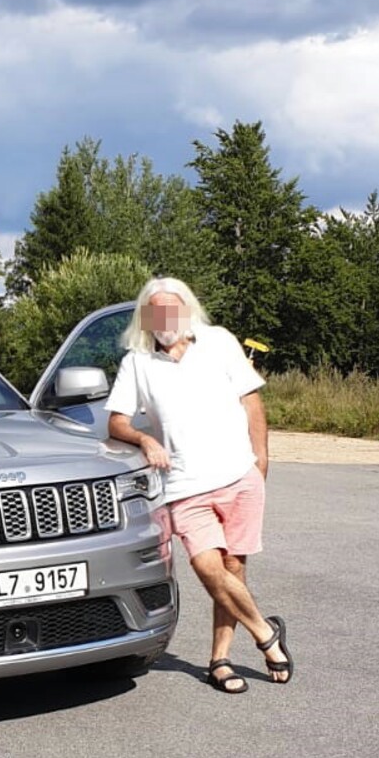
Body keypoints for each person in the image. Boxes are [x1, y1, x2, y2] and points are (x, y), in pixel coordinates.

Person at [106, 277, 293, 695]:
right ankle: (267, 634)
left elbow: (252, 400)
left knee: (233, 569)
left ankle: (220, 661)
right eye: (156, 310)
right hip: (184, 484)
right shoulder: (137, 361)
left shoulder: (220, 342)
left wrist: (261, 460)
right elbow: (116, 421)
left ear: (187, 309)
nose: (165, 318)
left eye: (172, 308)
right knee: (207, 568)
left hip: (238, 475)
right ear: (147, 317)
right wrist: (144, 438)